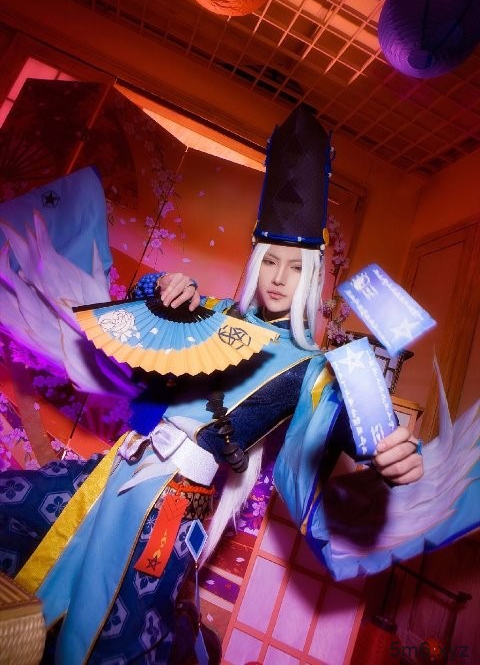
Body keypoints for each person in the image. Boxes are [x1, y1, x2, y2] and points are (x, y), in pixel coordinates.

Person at [0, 106, 478, 664]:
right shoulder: (212, 312)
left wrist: (388, 449)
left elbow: (347, 421)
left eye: (295, 267)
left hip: (170, 510)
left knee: (112, 637)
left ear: (313, 275)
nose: (279, 278)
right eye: (271, 261)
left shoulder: (311, 366)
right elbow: (141, 332)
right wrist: (163, 289)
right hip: (113, 473)